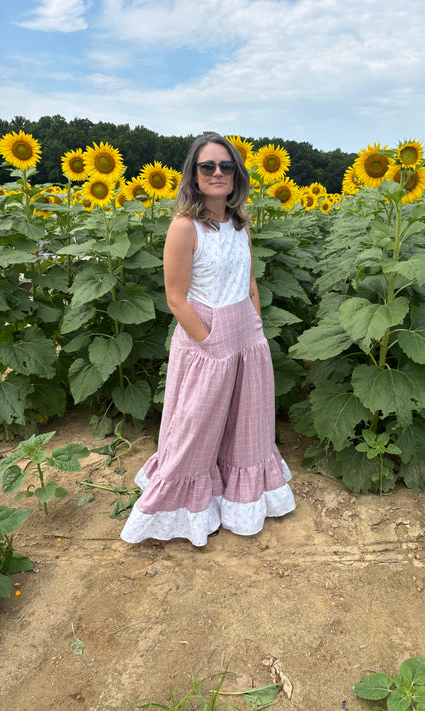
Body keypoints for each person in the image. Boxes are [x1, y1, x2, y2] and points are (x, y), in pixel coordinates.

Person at [121, 133, 295, 547]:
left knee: (245, 422)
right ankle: (183, 506)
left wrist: (255, 324)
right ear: (194, 176)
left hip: (245, 334)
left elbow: (250, 279)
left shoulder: (240, 224)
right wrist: (208, 339)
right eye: (208, 167)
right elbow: (175, 298)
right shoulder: (185, 227)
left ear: (236, 175)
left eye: (226, 166)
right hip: (207, 337)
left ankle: (236, 499)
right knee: (196, 426)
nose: (218, 173)